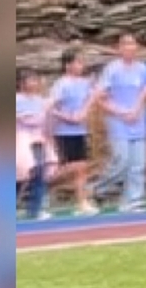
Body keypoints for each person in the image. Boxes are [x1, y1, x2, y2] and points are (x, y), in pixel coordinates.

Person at [90, 33, 146, 212]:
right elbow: (99, 97)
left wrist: (136, 109)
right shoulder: (112, 69)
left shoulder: (142, 68)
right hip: (118, 121)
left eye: (132, 44)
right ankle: (97, 188)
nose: (129, 48)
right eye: (125, 44)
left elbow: (145, 91)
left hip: (138, 119)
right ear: (119, 48)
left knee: (138, 163)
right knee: (121, 160)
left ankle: (132, 200)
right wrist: (120, 111)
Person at [47, 48, 99, 215]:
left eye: (82, 62)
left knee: (82, 167)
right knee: (72, 167)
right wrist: (67, 117)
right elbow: (50, 107)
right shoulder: (61, 84)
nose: (81, 65)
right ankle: (42, 181)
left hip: (79, 131)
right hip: (64, 132)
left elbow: (92, 97)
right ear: (68, 65)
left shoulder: (84, 83)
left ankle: (81, 202)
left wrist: (84, 111)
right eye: (78, 62)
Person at [15, 70, 53, 220]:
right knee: (22, 175)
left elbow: (42, 121)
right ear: (21, 83)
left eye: (35, 80)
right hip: (22, 140)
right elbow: (26, 120)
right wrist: (42, 112)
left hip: (38, 140)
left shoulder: (39, 100)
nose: (34, 84)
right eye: (30, 80)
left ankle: (35, 209)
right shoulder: (17, 100)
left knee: (39, 173)